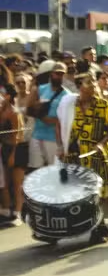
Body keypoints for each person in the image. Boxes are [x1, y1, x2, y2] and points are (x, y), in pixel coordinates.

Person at [54, 74, 108, 243]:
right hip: (73, 155)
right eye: (88, 83)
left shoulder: (103, 105)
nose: (93, 85)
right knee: (77, 193)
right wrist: (61, 146)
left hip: (95, 155)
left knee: (95, 192)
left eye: (93, 82)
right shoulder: (68, 105)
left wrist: (100, 144)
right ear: (79, 86)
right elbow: (59, 125)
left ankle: (99, 226)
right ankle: (72, 226)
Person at [28, 61, 68, 168]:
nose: (59, 76)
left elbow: (66, 119)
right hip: (37, 135)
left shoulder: (67, 95)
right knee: (35, 170)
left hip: (54, 138)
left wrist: (52, 120)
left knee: (53, 170)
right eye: (57, 73)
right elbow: (29, 109)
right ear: (51, 74)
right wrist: (37, 108)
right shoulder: (40, 89)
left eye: (62, 74)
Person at [0, 84, 26, 224]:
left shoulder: (14, 112)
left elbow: (18, 136)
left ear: (8, 96)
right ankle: (8, 211)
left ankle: (18, 214)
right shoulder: (1, 111)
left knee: (17, 184)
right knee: (8, 182)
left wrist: (12, 155)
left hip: (17, 149)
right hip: (5, 149)